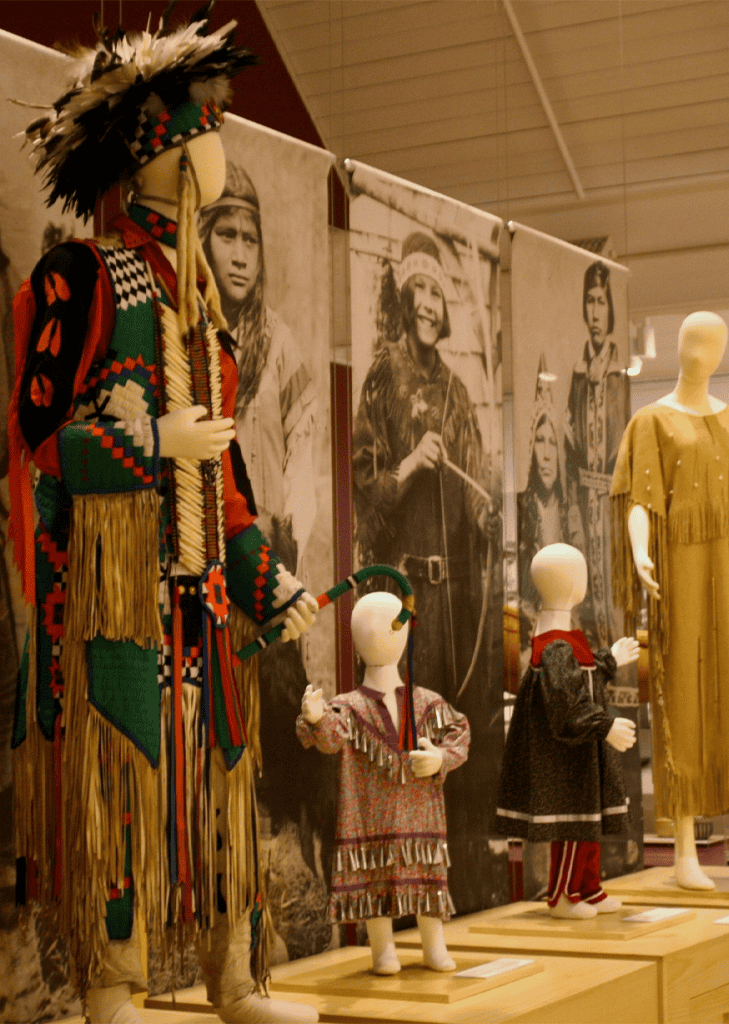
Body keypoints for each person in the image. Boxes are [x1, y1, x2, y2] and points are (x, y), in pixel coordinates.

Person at [7, 15, 318, 1024]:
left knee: (223, 789)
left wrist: (263, 573)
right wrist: (148, 448)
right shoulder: (82, 280)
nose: (219, 142)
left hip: (205, 603)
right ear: (155, 146)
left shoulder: (205, 319)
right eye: (207, 124)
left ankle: (234, 978)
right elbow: (37, 441)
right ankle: (113, 987)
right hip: (114, 603)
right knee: (122, 792)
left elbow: (225, 479)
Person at [352, 231, 497, 908]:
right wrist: (410, 466)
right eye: (422, 290)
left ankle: (455, 887)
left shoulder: (457, 389)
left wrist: (485, 513)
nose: (431, 304)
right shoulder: (383, 373)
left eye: (440, 292)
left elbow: (474, 487)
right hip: (404, 599)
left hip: (451, 601)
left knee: (447, 738)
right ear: (407, 299)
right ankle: (404, 894)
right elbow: (361, 484)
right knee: (403, 741)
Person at [612, 311, 729, 892]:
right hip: (678, 572)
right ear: (677, 348)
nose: (701, 351)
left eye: (712, 343)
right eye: (693, 341)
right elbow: (637, 496)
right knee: (680, 695)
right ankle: (683, 847)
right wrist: (640, 549)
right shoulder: (651, 421)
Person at [297, 590, 469, 973]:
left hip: (421, 816)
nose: (376, 635)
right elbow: (328, 739)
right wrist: (313, 717)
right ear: (355, 640)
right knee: (372, 876)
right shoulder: (348, 707)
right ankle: (382, 949)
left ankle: (434, 945)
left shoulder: (427, 702)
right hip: (368, 818)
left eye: (385, 626)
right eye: (365, 628)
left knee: (427, 875)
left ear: (404, 632)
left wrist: (442, 757)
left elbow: (460, 734)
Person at [496, 544, 638, 918]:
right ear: (575, 583)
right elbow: (566, 705)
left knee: (586, 822)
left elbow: (580, 680)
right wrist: (604, 726)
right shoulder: (556, 645)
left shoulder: (561, 638)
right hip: (563, 754)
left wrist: (609, 659)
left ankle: (589, 887)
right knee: (572, 825)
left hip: (579, 751)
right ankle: (562, 894)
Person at [199, 163, 316, 573]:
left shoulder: (279, 345)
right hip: (201, 559)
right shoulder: (182, 337)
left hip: (267, 562)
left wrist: (285, 552)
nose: (240, 257)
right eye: (226, 235)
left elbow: (302, 466)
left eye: (251, 241)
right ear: (202, 239)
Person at [564, 261, 629, 648]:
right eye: (589, 302)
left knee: (614, 604)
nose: (595, 313)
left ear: (610, 308)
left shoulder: (621, 375)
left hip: (613, 510)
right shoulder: (576, 376)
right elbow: (571, 455)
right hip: (582, 513)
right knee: (583, 598)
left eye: (601, 302)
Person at [517, 357, 584, 652]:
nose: (545, 454)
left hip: (570, 621)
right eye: (539, 441)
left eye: (552, 443)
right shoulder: (523, 509)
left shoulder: (572, 510)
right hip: (534, 625)